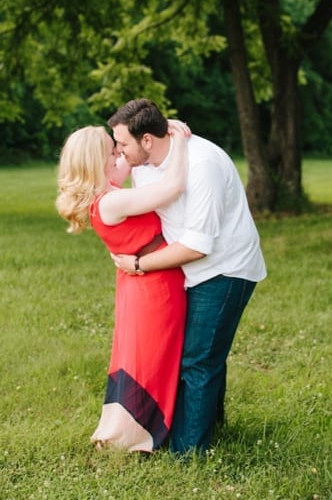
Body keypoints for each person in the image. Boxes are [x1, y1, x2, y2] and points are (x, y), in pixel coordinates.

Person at [106, 98, 267, 455]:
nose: (118, 152)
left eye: (123, 144)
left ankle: (188, 452)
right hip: (183, 269)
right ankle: (210, 424)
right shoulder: (145, 163)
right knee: (202, 351)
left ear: (147, 139)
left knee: (198, 358)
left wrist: (138, 266)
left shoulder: (203, 163)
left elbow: (198, 246)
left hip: (225, 269)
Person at [55, 121, 189, 452]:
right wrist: (180, 139)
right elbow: (172, 188)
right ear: (97, 158)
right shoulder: (109, 201)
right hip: (154, 283)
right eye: (111, 147)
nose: (118, 151)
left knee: (140, 352)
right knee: (152, 356)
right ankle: (138, 432)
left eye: (118, 145)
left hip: (139, 281)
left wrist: (146, 131)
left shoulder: (105, 190)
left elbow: (127, 160)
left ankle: (137, 425)